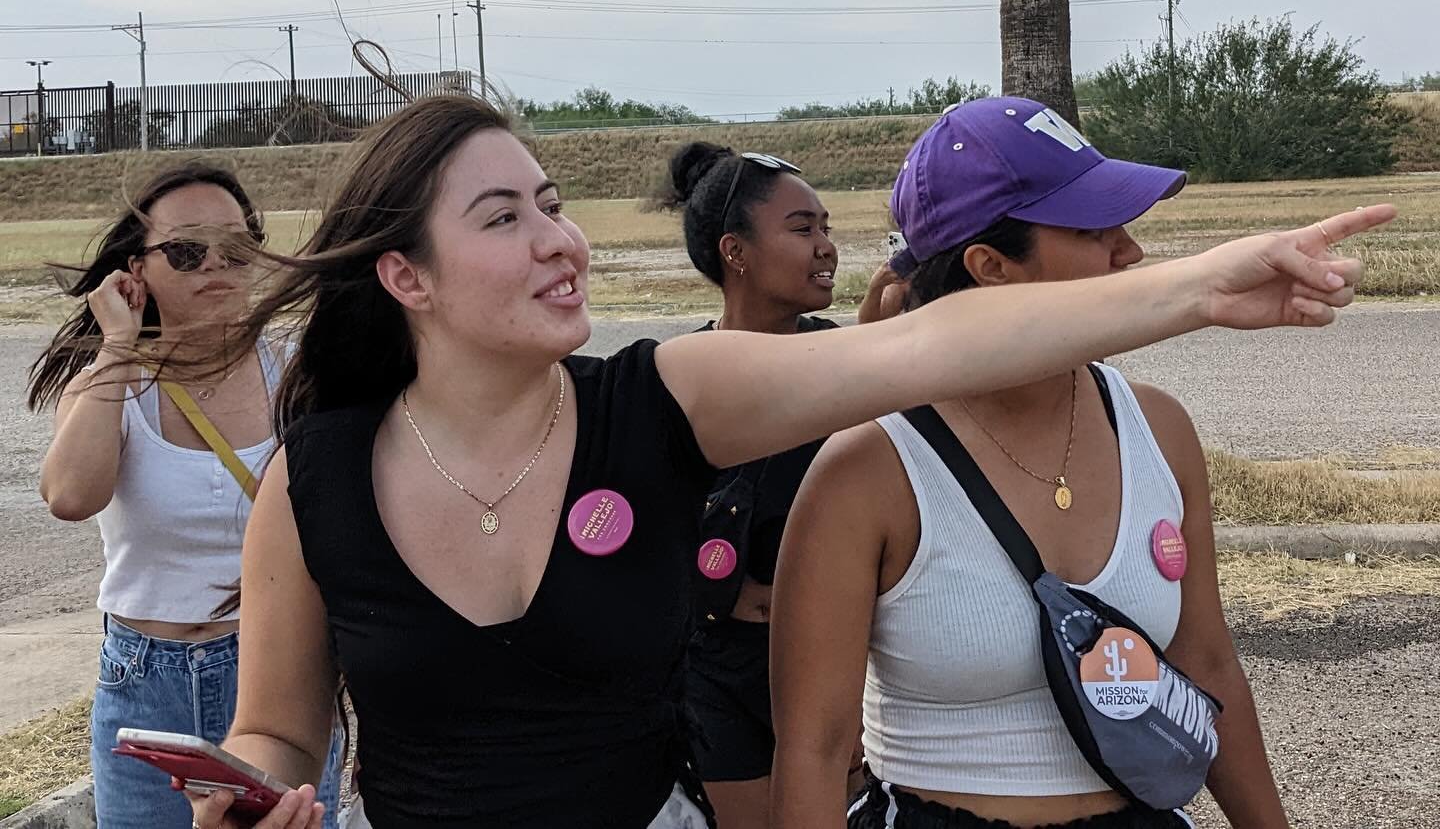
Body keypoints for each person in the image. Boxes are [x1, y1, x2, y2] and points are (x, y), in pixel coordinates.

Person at [181, 93, 1386, 829]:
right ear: (406, 276)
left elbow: (935, 339)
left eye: (553, 202)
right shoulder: (316, 477)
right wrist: (245, 787)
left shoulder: (660, 402)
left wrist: (1199, 286)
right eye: (504, 219)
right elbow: (277, 731)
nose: (563, 240)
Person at [769, 98, 1298, 829]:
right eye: (1093, 230)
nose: (1130, 253)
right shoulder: (867, 473)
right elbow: (816, 753)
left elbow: (1208, 669)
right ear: (991, 267)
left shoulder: (1159, 430)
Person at [26, 164, 339, 829]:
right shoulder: (111, 385)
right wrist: (116, 344)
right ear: (136, 272)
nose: (217, 265)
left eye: (239, 246)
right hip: (146, 686)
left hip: (281, 673)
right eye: (188, 250)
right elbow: (71, 496)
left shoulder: (302, 373)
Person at [661, 143, 842, 828]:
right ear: (735, 252)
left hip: (834, 667)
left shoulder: (852, 367)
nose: (825, 248)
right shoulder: (673, 381)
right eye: (803, 230)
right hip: (715, 675)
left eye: (827, 228)